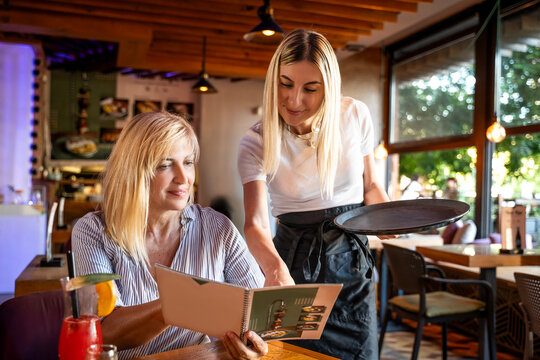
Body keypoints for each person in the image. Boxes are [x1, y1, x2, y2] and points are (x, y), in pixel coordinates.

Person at [238, 29, 395, 360]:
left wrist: (388, 217)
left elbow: (370, 188)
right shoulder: (256, 142)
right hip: (292, 269)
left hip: (351, 266)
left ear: (329, 88)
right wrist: (274, 269)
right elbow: (254, 223)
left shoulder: (354, 115)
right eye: (285, 84)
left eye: (310, 88)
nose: (295, 100)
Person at [72, 112, 267, 360]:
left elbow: (258, 314)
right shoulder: (93, 232)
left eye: (188, 162)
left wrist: (255, 346)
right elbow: (103, 333)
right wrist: (182, 302)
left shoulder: (218, 229)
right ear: (133, 171)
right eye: (165, 164)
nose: (184, 178)